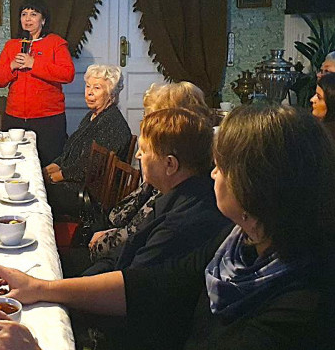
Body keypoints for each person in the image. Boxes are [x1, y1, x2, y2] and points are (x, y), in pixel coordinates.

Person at [0, 105, 335, 350]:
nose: (213, 173)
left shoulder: (310, 300)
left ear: (260, 187)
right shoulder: (242, 243)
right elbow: (152, 286)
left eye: (223, 166)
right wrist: (39, 286)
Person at [82, 108, 229, 275]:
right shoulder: (173, 194)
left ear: (170, 165)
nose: (137, 155)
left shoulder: (178, 223)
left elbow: (133, 281)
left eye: (144, 151)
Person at [0, 0, 75, 165]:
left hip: (48, 119)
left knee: (47, 166)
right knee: (15, 163)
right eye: (24, 14)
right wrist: (12, 66)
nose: (27, 19)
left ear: (43, 20)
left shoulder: (55, 43)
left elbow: (67, 74)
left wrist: (33, 64)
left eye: (33, 14)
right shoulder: (11, 45)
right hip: (15, 118)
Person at [42, 64, 131, 217]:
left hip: (90, 196)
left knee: (36, 195)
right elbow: (68, 154)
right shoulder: (91, 116)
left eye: (97, 88)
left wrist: (49, 179)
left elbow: (89, 168)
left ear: (111, 94)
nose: (89, 92)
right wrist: (44, 172)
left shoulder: (113, 124)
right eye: (88, 86)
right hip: (77, 184)